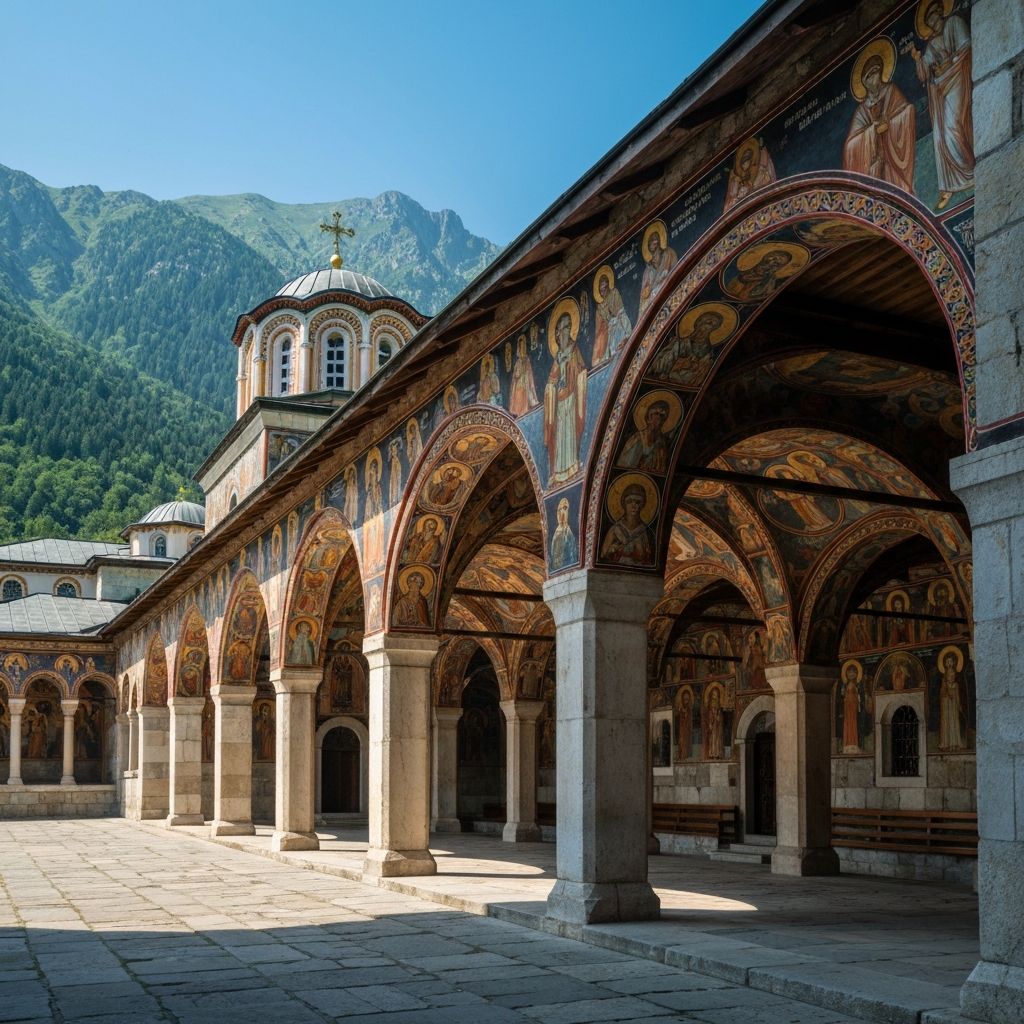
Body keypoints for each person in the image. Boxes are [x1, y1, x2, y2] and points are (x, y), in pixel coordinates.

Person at [909, 1, 973, 209]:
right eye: (928, 22)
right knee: (940, 136)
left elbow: (966, 47)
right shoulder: (932, 44)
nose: (931, 24)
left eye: (933, 19)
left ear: (939, 13)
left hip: (958, 79)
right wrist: (918, 59)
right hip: (942, 86)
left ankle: (970, 172)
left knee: (954, 125)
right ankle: (951, 186)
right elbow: (924, 73)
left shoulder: (954, 22)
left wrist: (949, 64)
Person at [843, 43, 916, 192]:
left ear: (881, 70)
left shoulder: (891, 92)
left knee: (897, 193)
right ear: (863, 82)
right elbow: (850, 146)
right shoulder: (862, 110)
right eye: (868, 76)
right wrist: (872, 131)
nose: (872, 79)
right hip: (874, 165)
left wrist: (890, 124)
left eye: (875, 72)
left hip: (892, 159)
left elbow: (907, 111)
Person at [543, 311, 587, 485]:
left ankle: (573, 465)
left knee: (570, 431)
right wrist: (551, 388)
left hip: (571, 398)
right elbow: (551, 380)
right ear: (557, 333)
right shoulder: (558, 356)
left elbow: (581, 369)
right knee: (560, 435)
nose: (565, 331)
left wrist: (573, 375)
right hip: (559, 401)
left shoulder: (574, 349)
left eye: (568, 326)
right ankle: (559, 471)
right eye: (563, 327)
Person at [600, 483, 654, 566]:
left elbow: (648, 558)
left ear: (642, 505)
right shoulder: (615, 530)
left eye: (638, 502)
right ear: (623, 504)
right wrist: (613, 549)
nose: (634, 505)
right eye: (629, 501)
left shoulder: (645, 531)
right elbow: (603, 555)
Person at [723, 137, 777, 212]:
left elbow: (769, 184)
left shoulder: (761, 171)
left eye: (747, 161)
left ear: (751, 161)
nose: (744, 165)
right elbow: (731, 204)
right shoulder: (737, 180)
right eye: (743, 163)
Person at [619, 400, 672, 474]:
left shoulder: (662, 441)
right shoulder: (638, 438)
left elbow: (662, 466)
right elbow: (628, 464)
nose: (659, 418)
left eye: (662, 416)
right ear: (649, 418)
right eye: (656, 414)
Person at [592, 270, 633, 364]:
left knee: (622, 351)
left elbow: (620, 312)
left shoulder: (614, 293)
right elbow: (605, 324)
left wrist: (627, 336)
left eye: (604, 289)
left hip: (620, 324)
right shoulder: (601, 307)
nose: (602, 293)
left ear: (608, 286)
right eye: (600, 291)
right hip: (611, 331)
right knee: (613, 353)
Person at [639, 226, 676, 315]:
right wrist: (650, 288)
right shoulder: (648, 270)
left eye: (652, 240)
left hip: (670, 291)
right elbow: (644, 296)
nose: (649, 244)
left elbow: (675, 272)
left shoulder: (668, 253)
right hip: (654, 304)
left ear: (658, 242)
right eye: (648, 242)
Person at [938, 650, 966, 751]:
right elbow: (941, 692)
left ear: (954, 662)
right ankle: (946, 743)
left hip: (953, 701)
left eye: (951, 661)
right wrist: (945, 691)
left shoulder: (956, 679)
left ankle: (955, 743)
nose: (949, 663)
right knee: (947, 722)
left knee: (954, 721)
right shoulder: (943, 678)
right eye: (947, 661)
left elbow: (958, 694)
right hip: (946, 702)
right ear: (945, 663)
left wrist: (959, 704)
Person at [509, 335, 539, 416]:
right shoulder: (518, 362)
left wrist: (534, 395)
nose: (522, 349)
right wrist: (517, 375)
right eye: (520, 347)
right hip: (518, 389)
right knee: (518, 412)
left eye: (523, 346)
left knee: (526, 410)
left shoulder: (527, 360)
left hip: (525, 387)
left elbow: (530, 377)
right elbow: (514, 378)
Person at [549, 497, 578, 569]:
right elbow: (556, 554)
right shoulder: (559, 531)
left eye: (565, 509)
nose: (563, 512)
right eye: (560, 509)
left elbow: (572, 550)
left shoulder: (567, 530)